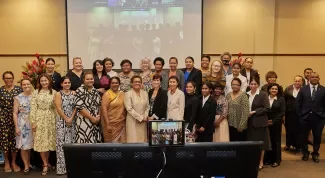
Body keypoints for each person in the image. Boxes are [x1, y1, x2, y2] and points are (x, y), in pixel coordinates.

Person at [30, 73, 57, 175]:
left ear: (49, 81)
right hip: (39, 118)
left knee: (49, 142)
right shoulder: (35, 93)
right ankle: (45, 164)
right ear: (39, 82)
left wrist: (57, 120)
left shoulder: (54, 92)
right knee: (41, 142)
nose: (44, 82)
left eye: (46, 80)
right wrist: (33, 122)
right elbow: (33, 108)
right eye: (42, 81)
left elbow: (56, 108)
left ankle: (47, 162)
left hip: (51, 119)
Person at [296, 72, 325, 163]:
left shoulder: (323, 89)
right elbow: (297, 103)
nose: (314, 78)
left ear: (319, 78)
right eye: (312, 77)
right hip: (305, 117)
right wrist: (300, 115)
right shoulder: (303, 89)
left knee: (317, 137)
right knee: (303, 136)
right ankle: (305, 153)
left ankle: (315, 153)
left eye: (316, 77)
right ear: (309, 79)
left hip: (319, 118)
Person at [0, 71, 23, 173]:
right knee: (4, 141)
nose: (8, 80)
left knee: (15, 140)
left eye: (10, 78)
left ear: (13, 79)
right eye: (6, 78)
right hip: (3, 119)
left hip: (16, 119)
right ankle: (7, 162)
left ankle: (13, 162)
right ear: (3, 79)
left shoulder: (19, 89)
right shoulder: (0, 90)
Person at [246, 77, 271, 170]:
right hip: (248, 123)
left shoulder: (263, 94)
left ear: (258, 85)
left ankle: (261, 162)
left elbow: (267, 108)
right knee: (250, 144)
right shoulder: (246, 94)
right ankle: (252, 161)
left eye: (255, 84)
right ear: (249, 85)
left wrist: (254, 112)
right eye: (251, 84)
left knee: (261, 144)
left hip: (260, 122)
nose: (253, 86)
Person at [54, 77, 76, 175]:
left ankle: (71, 167)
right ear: (62, 84)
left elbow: (76, 107)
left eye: (69, 82)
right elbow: (58, 108)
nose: (67, 84)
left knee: (72, 143)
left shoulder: (74, 93)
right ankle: (62, 168)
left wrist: (71, 118)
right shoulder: (58, 94)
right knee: (61, 145)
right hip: (62, 122)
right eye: (65, 83)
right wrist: (66, 118)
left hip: (73, 121)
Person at [74, 72, 102, 143]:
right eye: (87, 79)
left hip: (95, 123)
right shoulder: (79, 91)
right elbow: (80, 108)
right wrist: (92, 118)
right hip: (84, 122)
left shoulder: (95, 91)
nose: (90, 80)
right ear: (83, 80)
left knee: (95, 146)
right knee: (84, 147)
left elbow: (99, 105)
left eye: (91, 79)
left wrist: (98, 116)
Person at [13, 79, 32, 174]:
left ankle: (29, 163)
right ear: (21, 86)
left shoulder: (35, 96)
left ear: (31, 84)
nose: (26, 86)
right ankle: (26, 166)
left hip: (33, 123)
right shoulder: (18, 97)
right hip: (23, 124)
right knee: (24, 146)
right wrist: (16, 126)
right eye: (24, 84)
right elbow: (15, 113)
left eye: (28, 84)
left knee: (30, 146)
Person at [264, 83, 285, 167]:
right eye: (272, 89)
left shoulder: (281, 99)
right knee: (268, 141)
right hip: (265, 123)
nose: (274, 90)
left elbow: (282, 112)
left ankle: (276, 160)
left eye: (276, 89)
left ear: (278, 90)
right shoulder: (265, 98)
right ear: (269, 90)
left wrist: (273, 121)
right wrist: (266, 120)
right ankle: (268, 159)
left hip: (276, 123)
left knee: (276, 141)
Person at [124, 75, 150, 143]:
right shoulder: (127, 94)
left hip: (143, 122)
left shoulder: (145, 93)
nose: (137, 83)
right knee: (133, 141)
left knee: (143, 141)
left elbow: (148, 107)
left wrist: (144, 117)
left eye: (139, 82)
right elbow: (129, 108)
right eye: (135, 82)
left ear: (141, 83)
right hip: (132, 121)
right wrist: (140, 118)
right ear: (131, 83)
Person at [101, 77, 127, 143]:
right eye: (112, 83)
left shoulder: (122, 94)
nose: (114, 84)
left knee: (122, 143)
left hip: (121, 124)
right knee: (111, 146)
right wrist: (108, 124)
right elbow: (104, 109)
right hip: (110, 124)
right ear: (109, 84)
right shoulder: (107, 94)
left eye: (116, 83)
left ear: (119, 84)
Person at [284, 75, 304, 152]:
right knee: (289, 129)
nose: (297, 82)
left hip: (300, 113)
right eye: (296, 81)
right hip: (289, 113)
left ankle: (298, 145)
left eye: (299, 81)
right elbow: (284, 99)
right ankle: (288, 144)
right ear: (293, 81)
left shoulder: (304, 89)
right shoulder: (288, 88)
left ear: (302, 82)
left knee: (299, 130)